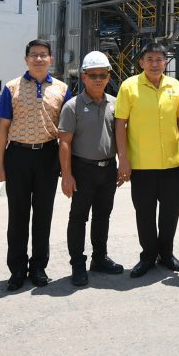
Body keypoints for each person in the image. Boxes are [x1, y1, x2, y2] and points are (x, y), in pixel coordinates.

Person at [0, 39, 72, 291]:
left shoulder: (62, 89)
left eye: (43, 55)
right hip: (17, 155)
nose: (38, 59)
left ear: (51, 59)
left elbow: (67, 132)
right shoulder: (11, 87)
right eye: (34, 55)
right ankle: (17, 269)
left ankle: (39, 267)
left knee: (43, 215)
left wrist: (67, 168)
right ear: (26, 59)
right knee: (17, 215)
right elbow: (2, 128)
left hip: (47, 156)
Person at [115, 41, 179, 278]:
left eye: (159, 59)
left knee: (170, 213)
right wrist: (123, 159)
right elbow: (120, 124)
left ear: (166, 62)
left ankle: (166, 254)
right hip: (141, 165)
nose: (155, 64)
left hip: (171, 164)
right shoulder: (129, 87)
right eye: (150, 60)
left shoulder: (175, 87)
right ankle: (147, 256)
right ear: (141, 63)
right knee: (144, 214)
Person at [58, 51, 126, 287]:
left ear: (108, 77)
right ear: (83, 77)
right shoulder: (72, 106)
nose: (98, 79)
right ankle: (78, 264)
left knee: (102, 215)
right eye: (93, 75)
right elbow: (64, 143)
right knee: (78, 217)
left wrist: (121, 163)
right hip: (82, 169)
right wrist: (67, 175)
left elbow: (120, 137)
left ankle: (99, 258)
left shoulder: (115, 104)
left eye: (102, 75)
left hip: (107, 169)